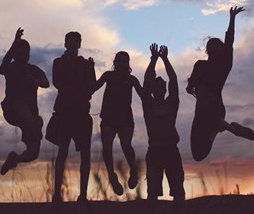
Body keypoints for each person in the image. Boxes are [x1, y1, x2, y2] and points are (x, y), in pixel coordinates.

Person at [186, 6, 254, 162]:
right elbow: (190, 85)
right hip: (201, 111)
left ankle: (230, 128)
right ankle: (218, 129)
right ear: (206, 50)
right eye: (209, 45)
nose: (211, 46)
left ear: (221, 49)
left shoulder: (223, 65)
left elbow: (230, 41)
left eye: (215, 45)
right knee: (198, 154)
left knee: (211, 119)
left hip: (214, 108)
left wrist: (232, 18)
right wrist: (190, 88)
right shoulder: (199, 65)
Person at [50, 31, 96, 202]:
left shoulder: (85, 64)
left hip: (82, 112)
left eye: (75, 41)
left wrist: (89, 71)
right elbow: (58, 82)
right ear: (65, 44)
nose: (72, 44)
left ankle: (83, 195)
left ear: (79, 44)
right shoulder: (59, 62)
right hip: (65, 111)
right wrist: (81, 80)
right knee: (62, 152)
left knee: (85, 154)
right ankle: (56, 193)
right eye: (69, 41)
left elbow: (91, 87)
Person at [0, 27, 49, 175]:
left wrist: (37, 81)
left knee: (33, 153)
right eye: (20, 53)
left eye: (26, 53)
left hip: (31, 114)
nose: (24, 56)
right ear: (14, 54)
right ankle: (35, 127)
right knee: (19, 103)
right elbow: (2, 67)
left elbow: (46, 83)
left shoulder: (34, 69)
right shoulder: (10, 68)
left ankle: (14, 160)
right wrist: (15, 43)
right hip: (12, 111)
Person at [92, 51, 142, 195]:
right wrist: (90, 70)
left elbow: (143, 94)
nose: (121, 64)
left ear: (128, 63)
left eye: (124, 61)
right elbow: (94, 87)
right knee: (107, 147)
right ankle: (112, 176)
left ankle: (133, 170)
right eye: (119, 61)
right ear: (115, 62)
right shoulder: (108, 75)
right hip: (109, 117)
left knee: (126, 145)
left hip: (125, 118)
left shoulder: (132, 79)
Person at [141, 43, 185, 201]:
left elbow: (173, 80)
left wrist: (165, 60)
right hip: (154, 150)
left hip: (171, 150)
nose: (160, 89)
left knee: (178, 191)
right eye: (157, 87)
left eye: (162, 87)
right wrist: (153, 59)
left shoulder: (171, 103)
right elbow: (146, 81)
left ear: (165, 90)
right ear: (153, 90)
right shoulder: (148, 103)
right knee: (152, 192)